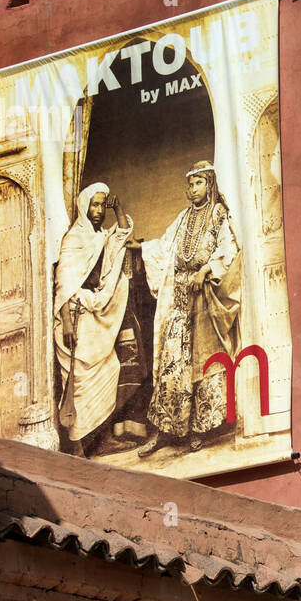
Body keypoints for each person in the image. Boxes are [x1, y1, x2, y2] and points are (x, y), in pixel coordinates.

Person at [135, 160, 241, 455]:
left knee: (203, 362)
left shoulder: (219, 214)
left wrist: (205, 270)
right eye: (190, 184)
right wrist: (140, 247)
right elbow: (165, 246)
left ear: (209, 185)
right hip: (179, 298)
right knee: (173, 362)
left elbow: (229, 248)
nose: (193, 189)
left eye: (199, 183)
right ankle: (166, 431)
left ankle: (199, 430)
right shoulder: (182, 218)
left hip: (205, 299)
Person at [53, 183, 134, 456]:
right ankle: (76, 445)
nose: (98, 211)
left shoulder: (100, 236)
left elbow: (122, 232)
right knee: (77, 385)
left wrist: (118, 206)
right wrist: (65, 323)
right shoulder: (74, 239)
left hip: (93, 316)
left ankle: (103, 440)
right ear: (85, 207)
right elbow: (63, 284)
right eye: (94, 205)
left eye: (102, 205)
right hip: (74, 319)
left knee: (110, 370)